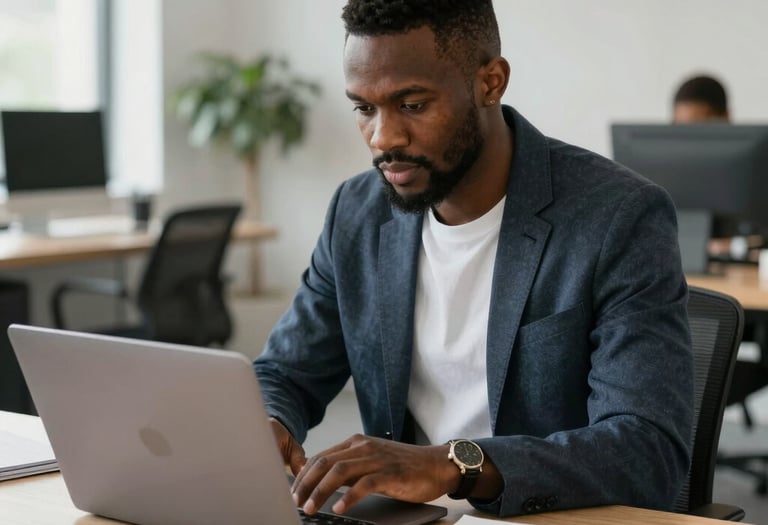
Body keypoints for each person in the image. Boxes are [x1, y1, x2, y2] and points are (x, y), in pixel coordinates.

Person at [254, 0, 693, 518]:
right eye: (364, 108)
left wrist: (452, 465)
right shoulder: (357, 212)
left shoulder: (617, 217)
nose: (383, 138)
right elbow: (285, 373)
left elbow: (646, 450)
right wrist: (267, 423)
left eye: (412, 105)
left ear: (491, 82)